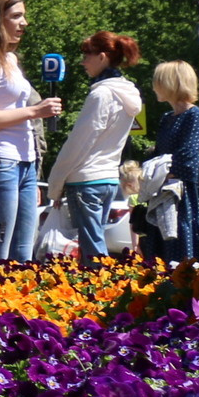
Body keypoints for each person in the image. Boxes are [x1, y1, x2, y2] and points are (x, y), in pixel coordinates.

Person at [0, 0, 63, 265]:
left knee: (23, 252)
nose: (24, 23)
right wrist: (34, 110)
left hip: (25, 163)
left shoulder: (10, 59)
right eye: (16, 16)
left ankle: (19, 307)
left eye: (24, 16)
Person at [45, 33, 143, 259]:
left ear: (102, 57)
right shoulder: (126, 94)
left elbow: (78, 143)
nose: (82, 62)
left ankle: (103, 290)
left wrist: (55, 184)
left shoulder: (101, 94)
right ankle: (105, 287)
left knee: (92, 249)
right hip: (108, 180)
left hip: (86, 180)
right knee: (94, 241)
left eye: (86, 55)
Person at [150, 60, 199, 262]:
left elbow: (189, 158)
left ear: (170, 84)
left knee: (185, 237)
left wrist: (159, 172)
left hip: (187, 194)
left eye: (158, 81)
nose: (154, 86)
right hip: (166, 190)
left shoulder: (195, 115)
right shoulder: (166, 117)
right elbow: (158, 154)